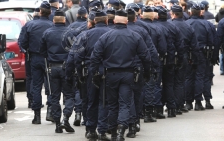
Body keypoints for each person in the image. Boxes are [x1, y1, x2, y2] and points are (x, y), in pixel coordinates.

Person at [89, 9, 151, 140]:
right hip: (128, 74)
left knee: (112, 104)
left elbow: (95, 56)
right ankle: (121, 130)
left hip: (110, 75)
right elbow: (146, 56)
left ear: (114, 21)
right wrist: (147, 72)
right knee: (125, 103)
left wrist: (94, 73)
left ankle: (113, 131)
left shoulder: (106, 36)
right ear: (127, 22)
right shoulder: (135, 36)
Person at [69, 9, 111, 140]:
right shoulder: (111, 34)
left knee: (91, 101)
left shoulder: (84, 35)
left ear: (93, 21)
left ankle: (91, 130)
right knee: (104, 101)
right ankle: (103, 131)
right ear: (106, 20)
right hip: (107, 71)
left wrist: (79, 73)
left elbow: (77, 56)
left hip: (89, 72)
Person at [39, 9, 75, 133]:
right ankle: (66, 117)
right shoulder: (70, 33)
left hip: (52, 67)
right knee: (69, 95)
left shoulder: (47, 33)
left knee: (54, 96)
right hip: (67, 67)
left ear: (53, 20)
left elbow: (42, 51)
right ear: (64, 20)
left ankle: (58, 123)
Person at [20, 1, 54, 124]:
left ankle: (37, 116)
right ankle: (51, 111)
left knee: (36, 86)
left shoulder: (29, 25)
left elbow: (22, 43)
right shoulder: (52, 25)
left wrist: (26, 51)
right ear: (50, 12)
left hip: (34, 58)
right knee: (50, 86)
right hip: (49, 58)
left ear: (40, 11)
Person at [126, 8, 159, 133]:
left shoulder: (113, 31)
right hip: (137, 67)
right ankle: (135, 121)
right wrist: (153, 67)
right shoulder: (141, 31)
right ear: (135, 18)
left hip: (121, 68)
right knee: (137, 95)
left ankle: (126, 122)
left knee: (124, 97)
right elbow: (150, 51)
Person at [169, 4, 199, 111]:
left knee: (169, 81)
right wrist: (194, 60)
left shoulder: (169, 25)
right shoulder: (188, 27)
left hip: (171, 56)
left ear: (173, 14)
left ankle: (171, 105)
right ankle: (180, 104)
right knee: (180, 81)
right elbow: (194, 46)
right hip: (184, 55)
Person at [155, 6, 184, 116]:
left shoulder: (155, 27)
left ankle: (158, 108)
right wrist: (180, 59)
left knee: (157, 84)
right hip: (170, 59)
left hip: (158, 59)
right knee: (169, 84)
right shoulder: (173, 27)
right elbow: (180, 45)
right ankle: (172, 108)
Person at [185, 2, 214, 110]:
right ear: (201, 12)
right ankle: (198, 102)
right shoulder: (207, 24)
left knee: (188, 77)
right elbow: (211, 41)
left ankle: (188, 102)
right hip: (203, 53)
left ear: (191, 12)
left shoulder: (186, 23)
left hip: (189, 53)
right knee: (200, 77)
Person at [18, 8, 41, 108]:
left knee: (31, 78)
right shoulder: (47, 24)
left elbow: (21, 41)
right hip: (44, 56)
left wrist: (25, 50)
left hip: (31, 55)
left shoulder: (28, 25)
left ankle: (31, 100)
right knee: (45, 79)